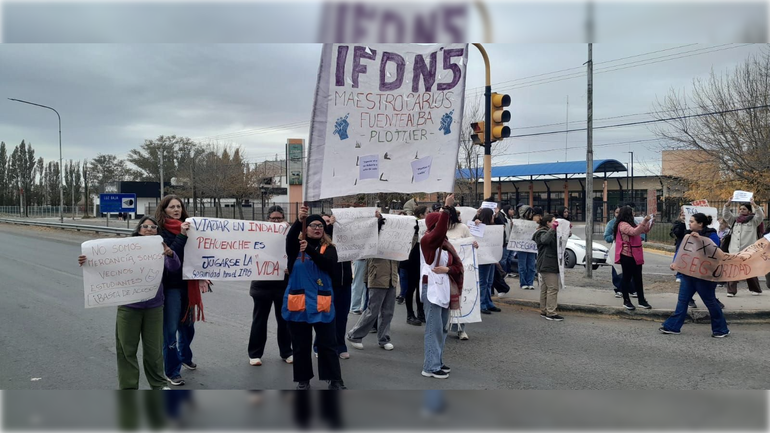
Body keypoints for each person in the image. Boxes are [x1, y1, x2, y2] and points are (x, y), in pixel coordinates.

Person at [78, 216, 178, 390]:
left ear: (157, 230)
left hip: (154, 307)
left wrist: (170, 254)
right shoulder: (124, 248)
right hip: (129, 307)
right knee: (126, 350)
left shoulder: (161, 248)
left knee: (154, 351)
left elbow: (174, 267)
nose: (149, 229)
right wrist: (87, 261)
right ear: (139, 229)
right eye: (145, 226)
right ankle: (129, 387)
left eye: (153, 227)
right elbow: (105, 264)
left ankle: (159, 385)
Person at [282, 206, 345, 390]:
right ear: (306, 228)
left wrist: (309, 249)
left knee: (328, 345)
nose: (317, 228)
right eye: (312, 225)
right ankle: (303, 380)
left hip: (321, 303)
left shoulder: (330, 248)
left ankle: (335, 380)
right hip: (298, 304)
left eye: (320, 225)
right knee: (300, 346)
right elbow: (289, 238)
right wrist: (299, 220)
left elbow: (328, 265)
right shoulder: (295, 248)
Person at [660, 213, 730, 338]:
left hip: (704, 276)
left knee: (710, 302)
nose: (690, 223)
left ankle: (721, 329)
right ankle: (673, 326)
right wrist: (675, 263)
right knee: (682, 300)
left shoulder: (711, 234)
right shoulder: (687, 234)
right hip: (688, 273)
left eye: (692, 221)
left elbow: (713, 250)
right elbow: (681, 250)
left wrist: (699, 239)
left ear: (700, 224)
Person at [155, 195, 199, 387]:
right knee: (171, 331)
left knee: (188, 327)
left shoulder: (191, 228)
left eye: (179, 206)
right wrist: (181, 235)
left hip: (188, 284)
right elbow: (171, 254)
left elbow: (200, 253)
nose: (176, 209)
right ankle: (172, 371)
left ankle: (184, 356)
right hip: (171, 287)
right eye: (171, 207)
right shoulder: (159, 232)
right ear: (164, 210)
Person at [420, 194, 464, 379]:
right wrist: (446, 208)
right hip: (431, 289)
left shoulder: (445, 244)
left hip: (443, 288)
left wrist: (448, 269)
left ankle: (436, 360)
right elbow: (437, 234)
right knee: (433, 328)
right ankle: (430, 366)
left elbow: (456, 266)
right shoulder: (428, 241)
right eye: (441, 224)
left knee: (443, 328)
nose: (445, 227)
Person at [347, 211, 399, 351]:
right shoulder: (373, 238)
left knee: (388, 311)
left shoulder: (394, 240)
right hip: (377, 276)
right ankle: (355, 334)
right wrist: (377, 224)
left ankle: (384, 338)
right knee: (373, 310)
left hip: (391, 277)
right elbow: (368, 244)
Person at [248, 205, 293, 367]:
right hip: (261, 285)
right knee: (259, 320)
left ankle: (287, 352)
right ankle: (255, 354)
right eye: (273, 219)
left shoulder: (290, 234)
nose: (275, 221)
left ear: (283, 219)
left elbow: (295, 253)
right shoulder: (258, 234)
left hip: (283, 284)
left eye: (279, 219)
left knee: (284, 321)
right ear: (267, 220)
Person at [320, 213, 354, 360]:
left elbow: (366, 236)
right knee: (325, 317)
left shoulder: (346, 240)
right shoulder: (321, 243)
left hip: (345, 284)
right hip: (327, 285)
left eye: (330, 220)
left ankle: (340, 345)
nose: (329, 223)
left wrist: (377, 220)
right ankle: (319, 345)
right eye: (325, 222)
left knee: (341, 317)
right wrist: (330, 225)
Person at [445, 206, 479, 340]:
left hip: (459, 269)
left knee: (461, 297)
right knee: (444, 299)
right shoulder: (439, 228)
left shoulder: (463, 228)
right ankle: (443, 327)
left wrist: (474, 245)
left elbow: (470, 241)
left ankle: (461, 329)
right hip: (443, 269)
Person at [722, 198, 765, 296]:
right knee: (733, 270)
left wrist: (754, 205)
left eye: (744, 209)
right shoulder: (735, 220)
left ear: (749, 211)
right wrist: (727, 204)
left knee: (749, 269)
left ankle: (755, 289)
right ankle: (731, 291)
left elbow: (760, 216)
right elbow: (726, 215)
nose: (741, 211)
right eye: (740, 209)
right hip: (734, 250)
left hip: (748, 250)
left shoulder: (754, 221)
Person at [614, 206, 653, 311]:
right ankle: (626, 300)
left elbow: (643, 230)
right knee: (626, 278)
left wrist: (650, 222)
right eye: (632, 213)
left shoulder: (632, 223)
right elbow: (634, 232)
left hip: (635, 254)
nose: (634, 214)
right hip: (626, 255)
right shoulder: (622, 224)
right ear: (627, 214)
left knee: (638, 278)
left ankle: (641, 300)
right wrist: (644, 221)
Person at [533, 214, 563, 321]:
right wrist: (553, 229)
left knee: (545, 288)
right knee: (553, 288)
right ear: (547, 223)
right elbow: (545, 240)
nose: (556, 224)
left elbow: (559, 241)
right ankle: (551, 312)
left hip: (550, 263)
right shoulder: (540, 232)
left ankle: (544, 310)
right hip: (546, 264)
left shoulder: (551, 231)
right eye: (553, 222)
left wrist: (568, 231)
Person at [404, 205, 429, 326]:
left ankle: (421, 312)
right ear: (421, 215)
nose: (428, 214)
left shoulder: (427, 225)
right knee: (411, 287)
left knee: (421, 286)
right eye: (427, 212)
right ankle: (410, 314)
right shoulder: (413, 225)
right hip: (413, 259)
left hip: (423, 258)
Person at [517, 205, 538, 290]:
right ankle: (523, 283)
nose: (531, 214)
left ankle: (530, 282)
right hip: (521, 246)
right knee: (522, 266)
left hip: (531, 246)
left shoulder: (535, 222)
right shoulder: (517, 222)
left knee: (531, 266)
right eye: (529, 212)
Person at [670, 209, 687, 285]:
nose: (684, 215)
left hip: (690, 244)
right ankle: (679, 275)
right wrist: (682, 223)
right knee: (680, 258)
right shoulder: (678, 223)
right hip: (681, 243)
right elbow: (677, 233)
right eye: (682, 214)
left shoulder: (691, 223)